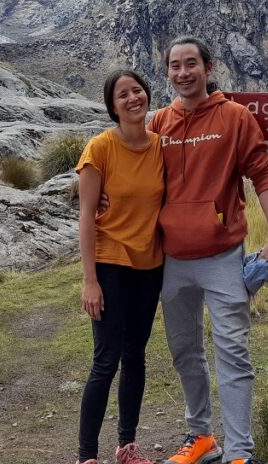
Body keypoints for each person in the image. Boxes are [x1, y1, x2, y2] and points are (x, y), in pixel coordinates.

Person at [152, 36, 268, 464]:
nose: (183, 73)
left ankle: (240, 453)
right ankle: (202, 438)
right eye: (175, 66)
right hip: (171, 260)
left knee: (232, 351)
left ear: (208, 69)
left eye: (191, 64)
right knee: (185, 352)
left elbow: (262, 176)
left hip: (223, 256)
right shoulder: (159, 123)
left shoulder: (235, 118)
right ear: (168, 73)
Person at [74, 69, 165, 464]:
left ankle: (127, 446)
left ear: (147, 95)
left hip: (150, 266)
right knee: (106, 359)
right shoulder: (100, 148)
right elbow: (86, 216)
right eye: (123, 94)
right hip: (111, 263)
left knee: (136, 355)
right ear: (113, 106)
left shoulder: (161, 146)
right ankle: (87, 456)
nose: (133, 98)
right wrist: (90, 280)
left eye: (138, 90)